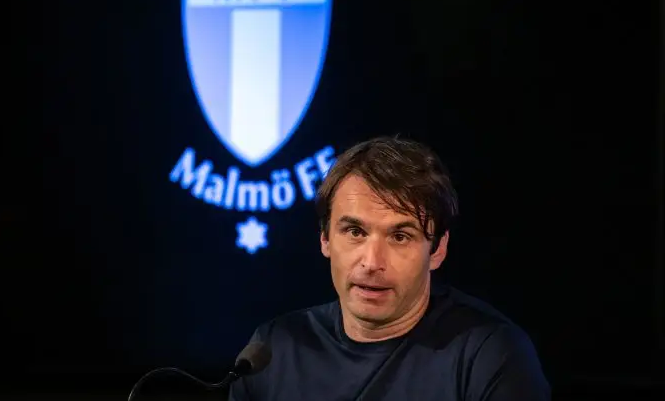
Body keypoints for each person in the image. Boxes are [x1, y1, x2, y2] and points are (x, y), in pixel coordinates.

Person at [229, 136, 550, 400]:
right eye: (355, 232)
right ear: (325, 239)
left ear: (437, 250)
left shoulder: (490, 355)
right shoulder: (273, 350)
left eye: (400, 237)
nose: (372, 262)